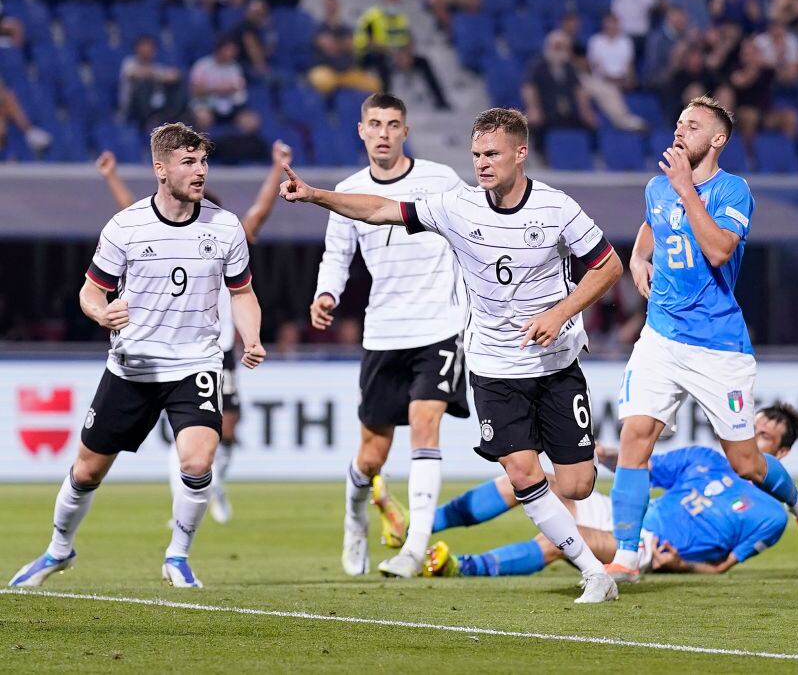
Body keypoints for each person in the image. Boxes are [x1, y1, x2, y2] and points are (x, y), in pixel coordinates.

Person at [280, 107, 624, 604]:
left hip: (554, 364)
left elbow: (608, 267)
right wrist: (315, 195)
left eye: (492, 154)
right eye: (477, 154)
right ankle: (596, 574)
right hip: (491, 367)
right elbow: (380, 209)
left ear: (520, 154)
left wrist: (561, 312)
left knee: (575, 484)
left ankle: (584, 470)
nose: (482, 163)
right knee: (523, 473)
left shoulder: (556, 208)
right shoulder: (457, 206)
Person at [9, 123, 266, 589]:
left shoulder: (225, 227)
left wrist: (252, 337)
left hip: (195, 363)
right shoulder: (125, 227)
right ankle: (58, 550)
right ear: (160, 169)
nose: (200, 170)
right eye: (188, 162)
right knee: (86, 471)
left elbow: (243, 293)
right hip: (133, 366)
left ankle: (178, 556)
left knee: (197, 460)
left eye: (203, 161)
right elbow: (90, 292)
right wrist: (100, 313)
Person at [606, 95, 798, 585]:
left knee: (747, 462)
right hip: (661, 335)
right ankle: (626, 557)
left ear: (717, 139)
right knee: (634, 439)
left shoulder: (733, 191)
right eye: (677, 122)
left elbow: (718, 250)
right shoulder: (658, 187)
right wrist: (638, 259)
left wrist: (687, 190)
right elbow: (650, 227)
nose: (678, 130)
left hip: (717, 345)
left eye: (691, 125)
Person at [311, 92, 468, 578]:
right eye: (374, 123)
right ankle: (355, 518)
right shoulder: (348, 190)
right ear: (361, 131)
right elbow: (336, 255)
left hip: (439, 327)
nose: (383, 132)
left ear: (405, 131)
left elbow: (472, 229)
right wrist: (326, 295)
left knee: (426, 425)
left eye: (392, 124)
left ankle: (414, 547)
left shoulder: (440, 180)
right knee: (371, 455)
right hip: (384, 332)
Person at [93, 138, 291, 524]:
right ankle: (185, 501)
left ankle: (211, 486)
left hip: (219, 349)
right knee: (186, 437)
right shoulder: (157, 230)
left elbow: (261, 212)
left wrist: (275, 169)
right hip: (173, 349)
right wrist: (112, 176)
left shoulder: (224, 233)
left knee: (226, 430)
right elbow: (131, 216)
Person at [375, 403, 798, 578]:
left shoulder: (769, 514)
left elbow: (723, 568)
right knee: (527, 479)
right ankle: (417, 529)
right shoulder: (706, 459)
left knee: (563, 538)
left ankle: (460, 567)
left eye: (764, 437)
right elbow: (641, 466)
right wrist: (602, 453)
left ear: (781, 452)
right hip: (628, 519)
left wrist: (681, 567)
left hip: (652, 546)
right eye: (753, 427)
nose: (752, 437)